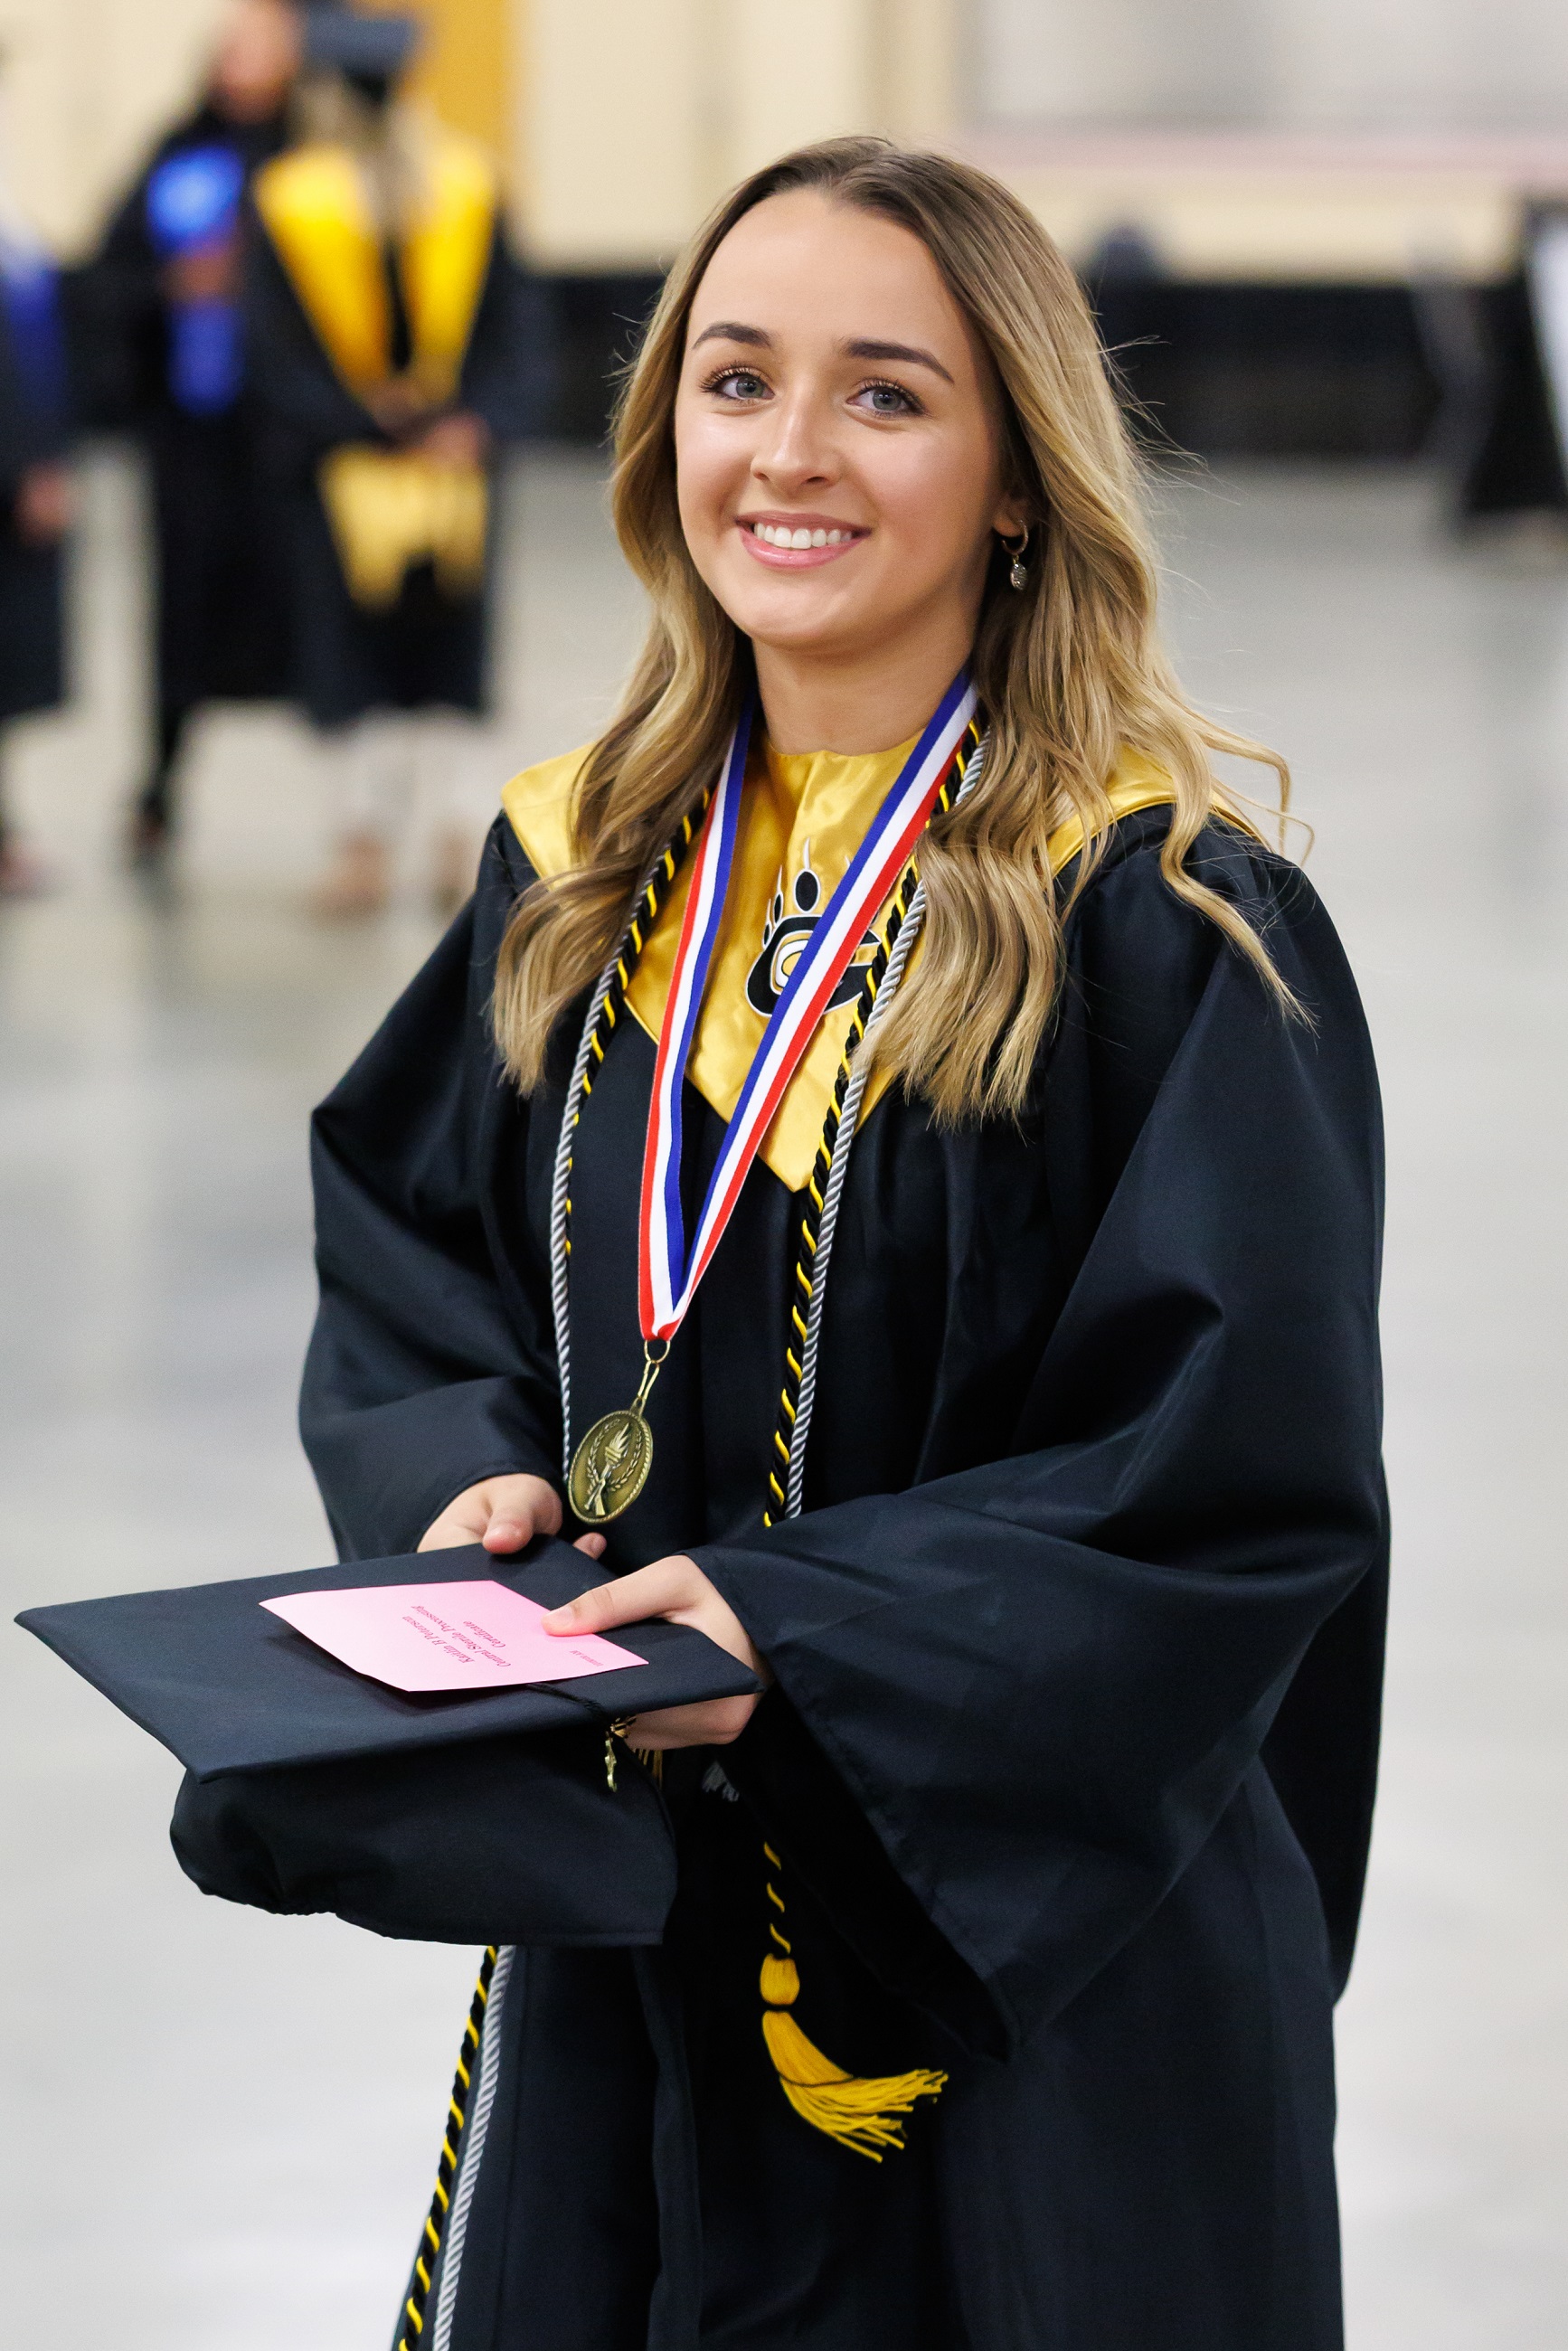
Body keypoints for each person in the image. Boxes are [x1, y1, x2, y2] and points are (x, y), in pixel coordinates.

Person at [298, 139, 1387, 2350]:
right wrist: (478, 1465)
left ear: (1013, 474)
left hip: (1011, 1983)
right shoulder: (583, 879)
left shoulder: (1157, 926)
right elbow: (419, 1244)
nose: (785, 453)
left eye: (882, 393)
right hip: (639, 1934)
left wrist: (798, 1634)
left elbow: (1225, 1483)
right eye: (731, 380)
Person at [246, 7, 546, 917]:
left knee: (448, 656)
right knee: (353, 663)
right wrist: (367, 427)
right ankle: (363, 843)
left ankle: (458, 839)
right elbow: (278, 352)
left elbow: (509, 334)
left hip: (451, 471)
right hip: (341, 475)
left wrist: (474, 424)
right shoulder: (291, 203)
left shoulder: (466, 190)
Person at [80, 0, 301, 867]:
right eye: (232, 48)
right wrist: (172, 288)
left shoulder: (313, 160)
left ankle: (362, 813)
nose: (243, 64)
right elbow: (108, 277)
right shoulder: (176, 157)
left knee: (315, 607)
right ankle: (161, 783)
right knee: (180, 611)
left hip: (288, 440)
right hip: (191, 437)